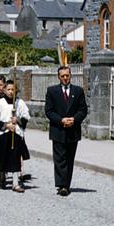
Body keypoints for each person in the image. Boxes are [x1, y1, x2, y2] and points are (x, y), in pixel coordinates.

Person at [44, 65, 88, 196]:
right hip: (58, 130)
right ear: (58, 77)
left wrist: (74, 119)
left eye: (67, 76)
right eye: (62, 76)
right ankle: (61, 185)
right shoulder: (52, 91)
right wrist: (61, 120)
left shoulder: (78, 91)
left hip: (73, 130)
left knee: (69, 158)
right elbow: (49, 111)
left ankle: (67, 184)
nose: (65, 78)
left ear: (71, 76)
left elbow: (83, 110)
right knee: (59, 159)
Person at [0, 79, 30, 192]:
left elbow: (26, 117)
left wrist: (18, 120)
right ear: (5, 90)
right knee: (3, 156)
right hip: (3, 134)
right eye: (9, 89)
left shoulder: (19, 103)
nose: (11, 92)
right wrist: (6, 125)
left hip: (16, 134)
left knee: (15, 158)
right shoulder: (0, 102)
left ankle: (15, 183)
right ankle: (2, 173)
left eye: (13, 89)